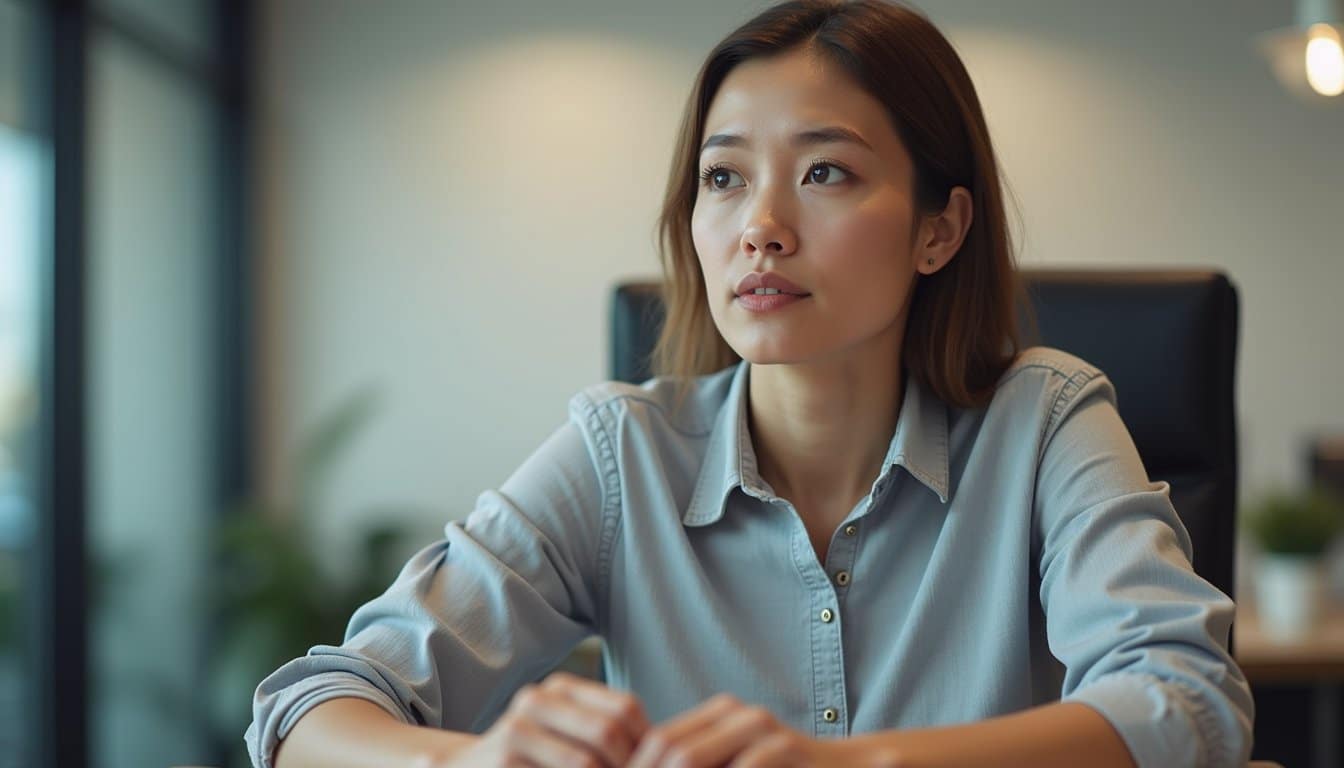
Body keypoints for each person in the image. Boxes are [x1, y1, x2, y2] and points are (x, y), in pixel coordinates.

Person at [247, 1, 1254, 766]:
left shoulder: (1044, 421)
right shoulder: (622, 451)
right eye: (723, 177)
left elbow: (1186, 701)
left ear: (940, 228)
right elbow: (308, 707)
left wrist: (852, 764)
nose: (760, 225)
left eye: (826, 173)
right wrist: (478, 762)